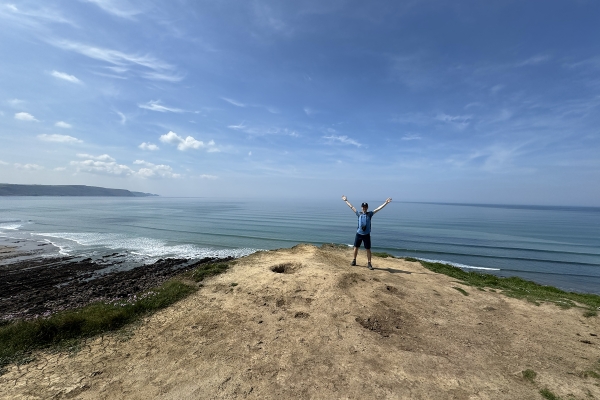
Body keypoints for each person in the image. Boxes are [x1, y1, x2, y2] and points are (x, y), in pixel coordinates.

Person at [341, 195, 392, 270]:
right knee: (356, 248)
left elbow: (378, 209)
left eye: (365, 207)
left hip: (366, 235)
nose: (364, 208)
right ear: (362, 207)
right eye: (363, 207)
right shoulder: (359, 214)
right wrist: (346, 200)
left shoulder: (370, 214)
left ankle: (369, 263)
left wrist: (386, 203)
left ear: (367, 208)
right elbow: (351, 207)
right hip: (359, 234)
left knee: (368, 249)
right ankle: (354, 260)